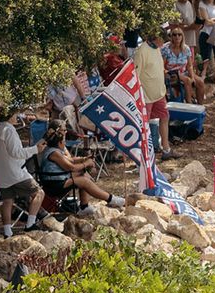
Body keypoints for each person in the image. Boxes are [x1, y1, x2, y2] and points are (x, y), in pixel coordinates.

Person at [33, 129, 125, 215]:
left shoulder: (54, 150)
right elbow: (71, 167)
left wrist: (85, 159)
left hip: (58, 178)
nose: (65, 143)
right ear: (59, 142)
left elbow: (71, 160)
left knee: (83, 174)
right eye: (64, 141)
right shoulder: (54, 153)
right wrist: (86, 164)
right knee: (83, 181)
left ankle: (84, 206)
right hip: (53, 183)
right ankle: (111, 199)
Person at [0, 110, 45, 237]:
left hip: (1, 175)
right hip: (15, 174)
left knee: (8, 201)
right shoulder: (9, 130)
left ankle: (7, 232)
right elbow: (16, 152)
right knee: (39, 193)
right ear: (10, 116)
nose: (17, 117)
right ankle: (30, 224)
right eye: (16, 115)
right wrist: (35, 149)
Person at [133, 25, 171, 157]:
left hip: (159, 93)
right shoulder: (141, 51)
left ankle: (166, 149)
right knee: (144, 124)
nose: (164, 43)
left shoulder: (157, 49)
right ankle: (144, 154)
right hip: (146, 95)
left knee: (165, 117)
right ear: (156, 38)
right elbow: (136, 75)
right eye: (163, 39)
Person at [162, 26, 203, 104]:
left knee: (200, 82)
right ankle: (189, 104)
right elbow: (162, 66)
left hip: (184, 71)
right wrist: (166, 73)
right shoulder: (166, 48)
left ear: (182, 36)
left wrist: (192, 77)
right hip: (171, 73)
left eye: (179, 34)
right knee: (187, 80)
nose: (177, 36)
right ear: (171, 36)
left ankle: (200, 106)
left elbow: (189, 65)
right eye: (174, 34)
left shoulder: (186, 48)